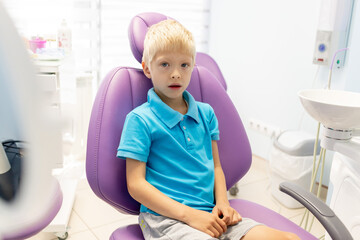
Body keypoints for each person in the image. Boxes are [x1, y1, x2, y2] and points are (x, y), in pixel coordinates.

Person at [117, 19, 300, 240]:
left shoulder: (206, 113)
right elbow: (135, 185)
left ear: (193, 66)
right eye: (165, 64)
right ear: (147, 68)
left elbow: (216, 166)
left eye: (184, 65)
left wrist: (222, 203)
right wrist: (190, 216)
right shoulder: (139, 120)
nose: (176, 73)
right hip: (166, 220)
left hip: (211, 213)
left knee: (289, 239)